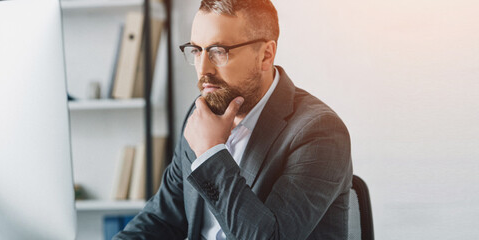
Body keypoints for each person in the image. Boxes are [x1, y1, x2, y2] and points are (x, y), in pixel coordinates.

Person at [114, 0, 352, 239]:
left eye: (218, 51)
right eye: (197, 50)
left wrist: (210, 152)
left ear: (265, 56)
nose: (203, 68)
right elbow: (161, 219)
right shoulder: (200, 115)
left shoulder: (319, 131)